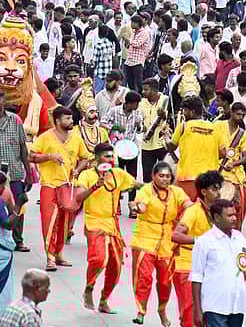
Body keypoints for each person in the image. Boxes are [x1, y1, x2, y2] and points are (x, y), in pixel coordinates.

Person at [74, 142, 138, 313]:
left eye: (112, 156)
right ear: (97, 158)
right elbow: (78, 197)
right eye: (107, 156)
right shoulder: (86, 175)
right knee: (99, 259)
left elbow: (137, 185)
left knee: (116, 265)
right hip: (94, 222)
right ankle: (89, 287)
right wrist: (95, 186)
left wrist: (157, 184)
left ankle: (104, 300)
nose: (110, 159)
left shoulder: (117, 174)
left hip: (112, 224)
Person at [129, 161, 191, 326]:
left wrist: (196, 209)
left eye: (168, 176)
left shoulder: (176, 191)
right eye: (161, 176)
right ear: (153, 176)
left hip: (166, 241)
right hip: (145, 237)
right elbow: (141, 205)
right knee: (144, 277)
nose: (165, 179)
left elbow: (187, 205)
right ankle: (141, 310)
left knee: (165, 281)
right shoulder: (146, 190)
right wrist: (137, 208)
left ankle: (162, 310)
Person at [29, 106, 90, 271]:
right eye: (67, 119)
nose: (71, 121)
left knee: (65, 222)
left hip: (68, 185)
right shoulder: (45, 138)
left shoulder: (76, 138)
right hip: (49, 185)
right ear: (57, 121)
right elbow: (30, 156)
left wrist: (78, 169)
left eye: (71, 119)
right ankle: (50, 257)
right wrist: (48, 157)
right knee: (49, 222)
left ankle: (59, 253)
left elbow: (85, 158)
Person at [190, 198, 246, 327]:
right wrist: (197, 309)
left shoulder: (239, 238)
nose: (234, 218)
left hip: (237, 305)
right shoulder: (204, 241)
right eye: (229, 215)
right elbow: (196, 277)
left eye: (235, 215)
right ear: (217, 217)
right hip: (214, 306)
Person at [171, 171, 223, 327]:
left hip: (207, 269)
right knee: (190, 315)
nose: (219, 192)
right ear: (204, 192)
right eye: (214, 189)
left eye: (219, 188)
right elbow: (176, 235)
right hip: (186, 266)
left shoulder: (217, 212)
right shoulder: (193, 211)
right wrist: (201, 240)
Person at [167, 95, 221, 200]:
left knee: (185, 210)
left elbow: (171, 147)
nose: (183, 114)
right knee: (206, 211)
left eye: (185, 111)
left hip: (187, 178)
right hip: (209, 179)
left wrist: (166, 137)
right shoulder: (214, 128)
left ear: (192, 112)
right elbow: (223, 153)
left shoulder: (183, 126)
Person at [214, 102, 246, 229]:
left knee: (238, 209)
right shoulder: (218, 126)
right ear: (231, 112)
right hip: (219, 173)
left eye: (242, 115)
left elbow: (245, 157)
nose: (240, 117)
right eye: (237, 114)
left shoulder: (243, 133)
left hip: (236, 176)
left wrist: (233, 163)